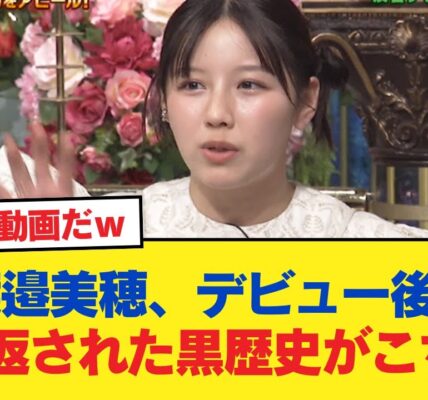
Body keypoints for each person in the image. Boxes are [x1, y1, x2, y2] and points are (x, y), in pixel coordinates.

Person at [0, 0, 427, 238]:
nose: (217, 115)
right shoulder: (110, 236)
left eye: (249, 85)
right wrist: (51, 257)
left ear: (305, 100)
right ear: (163, 98)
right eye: (192, 85)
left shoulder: (371, 248)